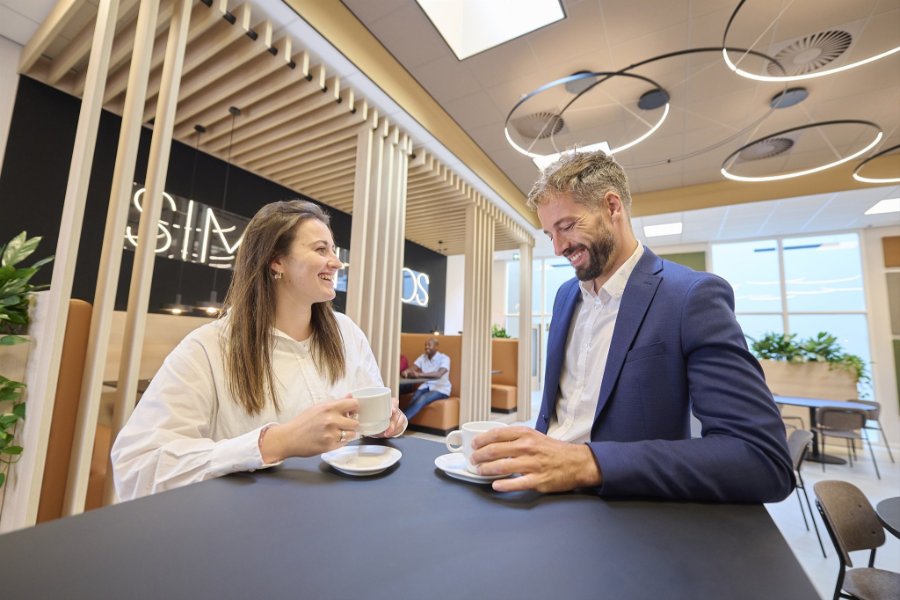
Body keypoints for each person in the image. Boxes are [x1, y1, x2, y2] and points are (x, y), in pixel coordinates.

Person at [470, 150, 793, 503]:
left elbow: (762, 459)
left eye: (566, 226)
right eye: (550, 234)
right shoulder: (565, 296)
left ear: (612, 207)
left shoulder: (690, 297)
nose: (559, 247)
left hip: (622, 508)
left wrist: (587, 463)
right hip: (542, 495)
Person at [111, 200, 407, 500]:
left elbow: (370, 414)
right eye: (321, 250)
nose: (336, 262)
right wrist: (274, 442)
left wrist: (386, 422)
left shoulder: (348, 334)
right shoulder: (208, 348)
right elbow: (137, 465)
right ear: (276, 261)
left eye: (333, 250)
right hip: (253, 525)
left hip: (346, 508)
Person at [400, 337, 450, 420]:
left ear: (436, 347)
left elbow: (438, 374)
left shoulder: (444, 358)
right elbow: (413, 368)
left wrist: (419, 375)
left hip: (441, 389)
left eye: (429, 345)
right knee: (415, 397)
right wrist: (406, 372)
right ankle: (402, 422)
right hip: (426, 386)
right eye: (426, 345)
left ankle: (400, 423)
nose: (427, 347)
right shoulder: (423, 357)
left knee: (423, 398)